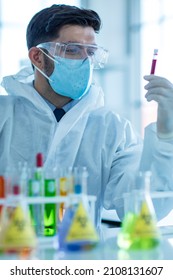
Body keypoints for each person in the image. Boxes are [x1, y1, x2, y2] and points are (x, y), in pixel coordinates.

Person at [0, 4, 173, 226]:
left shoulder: (112, 128)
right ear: (37, 57)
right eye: (72, 50)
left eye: (90, 52)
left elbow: (141, 212)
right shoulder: (5, 116)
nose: (86, 61)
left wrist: (166, 136)